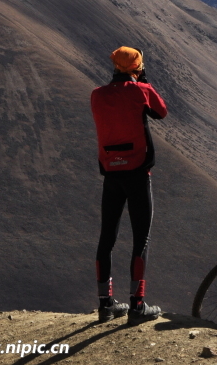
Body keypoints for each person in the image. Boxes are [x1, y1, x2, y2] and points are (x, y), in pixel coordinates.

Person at [91, 46, 167, 324]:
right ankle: (137, 305)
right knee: (141, 238)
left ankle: (105, 305)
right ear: (137, 67)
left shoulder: (97, 95)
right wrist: (143, 82)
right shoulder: (140, 91)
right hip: (137, 173)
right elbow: (161, 111)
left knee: (106, 238)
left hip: (111, 174)